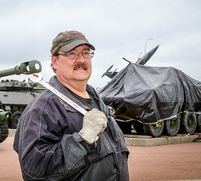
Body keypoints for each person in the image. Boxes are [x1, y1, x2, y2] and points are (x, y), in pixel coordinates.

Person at [13, 30, 129, 181]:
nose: (81, 59)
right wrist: (83, 140)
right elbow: (34, 171)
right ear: (55, 61)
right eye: (72, 54)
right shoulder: (42, 110)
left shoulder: (98, 102)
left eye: (86, 53)